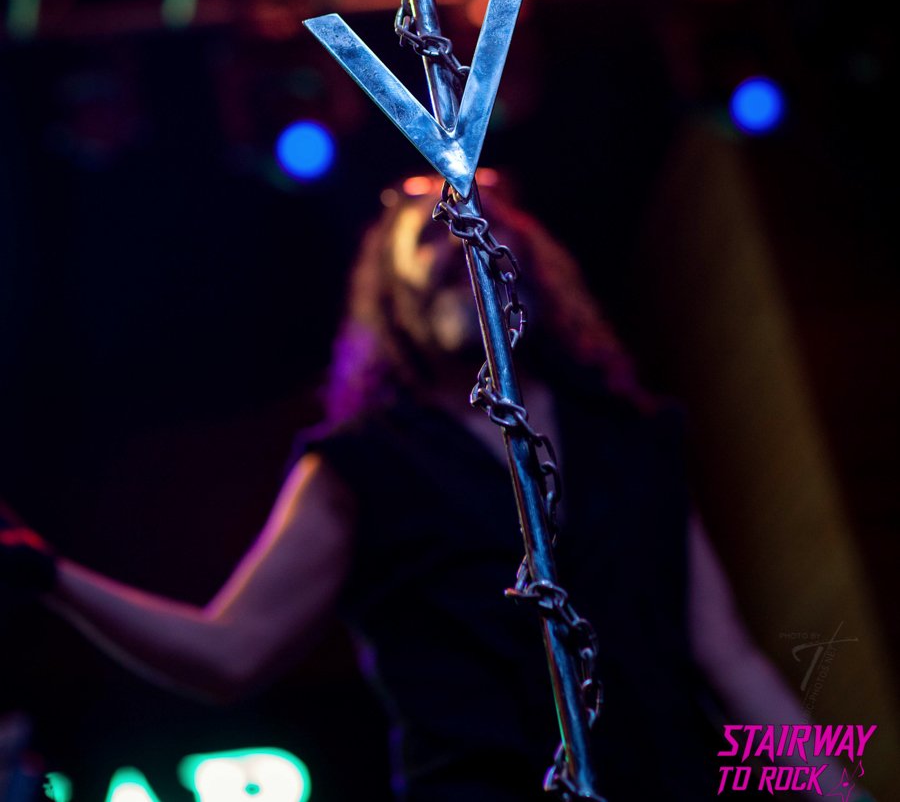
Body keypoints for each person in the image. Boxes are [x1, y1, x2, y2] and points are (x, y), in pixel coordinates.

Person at [0, 176, 864, 801]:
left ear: (525, 265)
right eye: (432, 241)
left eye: (479, 230)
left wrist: (836, 791)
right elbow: (231, 652)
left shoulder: (632, 440)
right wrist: (49, 574)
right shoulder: (360, 465)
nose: (459, 246)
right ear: (395, 296)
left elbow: (729, 659)